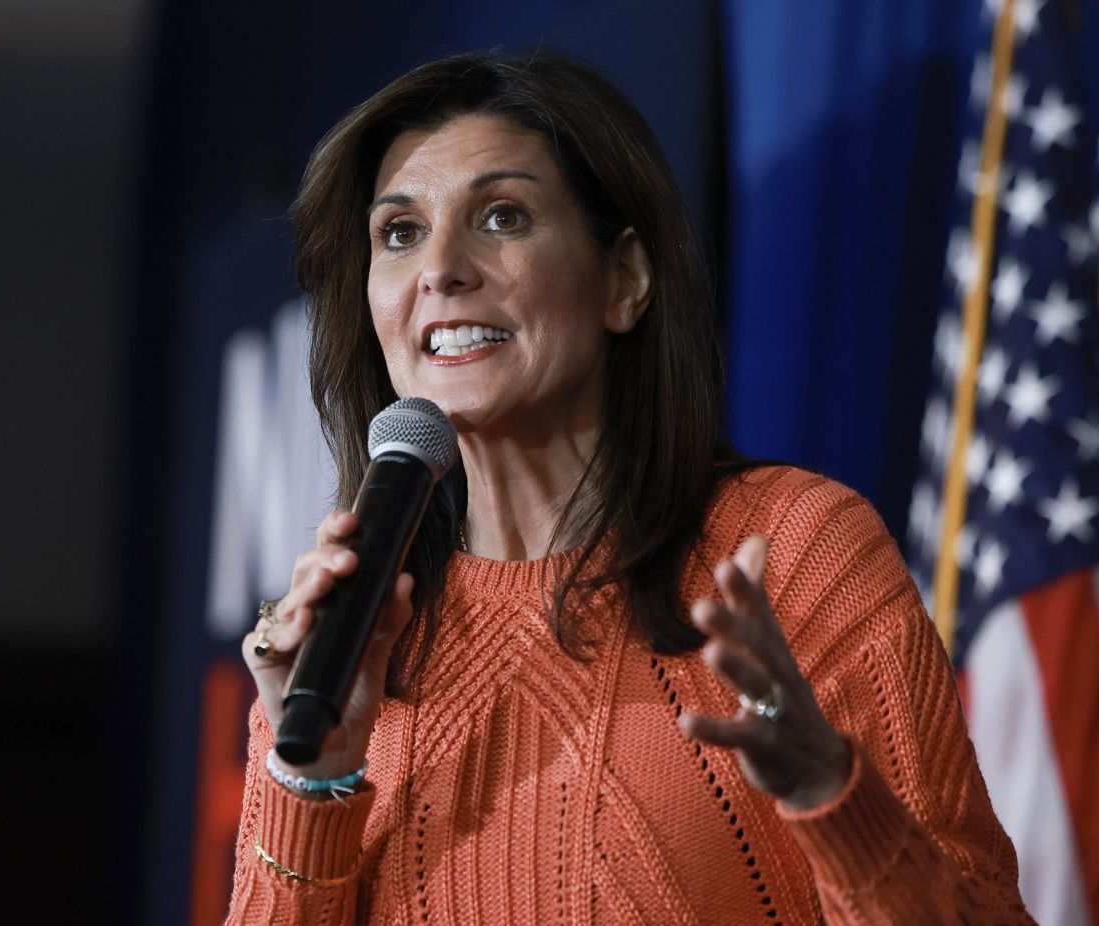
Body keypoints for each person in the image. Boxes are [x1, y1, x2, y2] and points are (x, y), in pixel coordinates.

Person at [226, 51, 1032, 924]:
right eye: (399, 232)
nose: (442, 269)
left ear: (625, 280)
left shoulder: (793, 555)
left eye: (502, 217)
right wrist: (310, 782)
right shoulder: (345, 646)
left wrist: (833, 795)